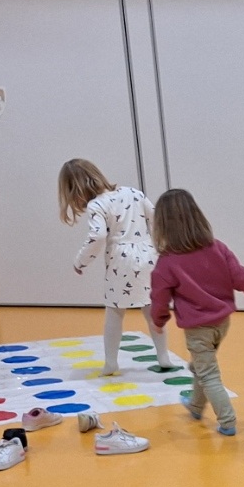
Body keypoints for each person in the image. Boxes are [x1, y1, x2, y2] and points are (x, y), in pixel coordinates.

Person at [148, 190, 244, 437]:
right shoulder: (217, 248)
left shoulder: (167, 262)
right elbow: (241, 277)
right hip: (222, 323)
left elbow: (159, 298)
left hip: (198, 328)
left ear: (161, 226)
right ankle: (195, 406)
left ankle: (227, 420)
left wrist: (158, 321)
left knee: (208, 374)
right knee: (200, 365)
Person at [59, 159, 180, 375]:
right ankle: (163, 356)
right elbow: (156, 217)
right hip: (149, 256)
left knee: (114, 312)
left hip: (121, 261)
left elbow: (97, 236)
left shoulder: (97, 205)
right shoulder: (133, 192)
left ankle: (111, 362)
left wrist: (81, 261)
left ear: (74, 191)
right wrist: (161, 246)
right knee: (152, 308)